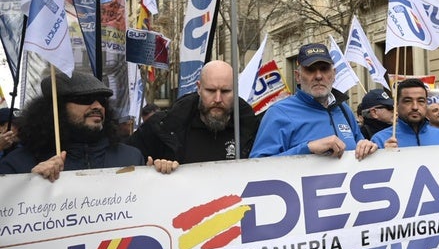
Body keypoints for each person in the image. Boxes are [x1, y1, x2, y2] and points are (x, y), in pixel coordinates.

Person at [0, 71, 158, 181]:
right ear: (56, 109)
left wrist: (159, 178)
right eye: (85, 99)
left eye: (102, 101)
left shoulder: (131, 157)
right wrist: (26, 184)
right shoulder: (17, 164)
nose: (97, 106)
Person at [250, 43, 377, 159]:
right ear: (298, 76)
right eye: (310, 70)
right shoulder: (279, 113)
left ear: (333, 74)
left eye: (324, 69)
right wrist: (307, 148)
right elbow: (257, 166)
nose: (318, 76)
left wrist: (365, 146)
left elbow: (358, 147)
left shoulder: (343, 109)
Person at [130, 60, 259, 172]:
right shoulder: (162, 127)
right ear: (199, 88)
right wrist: (150, 170)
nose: (218, 99)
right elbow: (125, 165)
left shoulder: (253, 129)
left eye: (225, 91)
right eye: (211, 90)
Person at [371, 78, 439, 148]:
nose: (415, 107)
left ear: (426, 104)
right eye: (408, 101)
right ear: (396, 106)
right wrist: (382, 156)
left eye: (420, 101)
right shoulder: (380, 140)